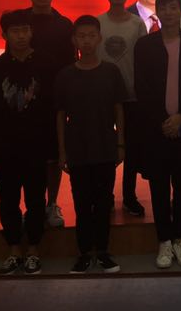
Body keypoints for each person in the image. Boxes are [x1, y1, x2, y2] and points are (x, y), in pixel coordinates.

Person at [134, 0, 181, 269]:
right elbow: (142, 87)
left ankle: (180, 238)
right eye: (163, 8)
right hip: (156, 129)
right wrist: (164, 121)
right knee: (159, 186)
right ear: (158, 12)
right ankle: (164, 239)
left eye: (173, 8)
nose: (168, 12)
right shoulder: (145, 45)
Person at [0, 10, 55, 275]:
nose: (21, 36)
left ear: (32, 32)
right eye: (15, 31)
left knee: (36, 200)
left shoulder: (46, 64)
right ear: (4, 35)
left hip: (37, 145)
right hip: (4, 147)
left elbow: (53, 109)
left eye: (25, 30)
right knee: (8, 200)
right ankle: (14, 249)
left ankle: (33, 249)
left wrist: (53, 147)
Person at [56, 15, 125, 274]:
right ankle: (84, 252)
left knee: (104, 201)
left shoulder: (111, 71)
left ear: (99, 39)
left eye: (91, 35)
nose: (86, 40)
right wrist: (62, 151)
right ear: (74, 40)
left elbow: (119, 109)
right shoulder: (65, 75)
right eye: (81, 36)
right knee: (82, 202)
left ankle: (103, 251)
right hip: (77, 148)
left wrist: (121, 144)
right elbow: (60, 115)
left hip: (105, 145)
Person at [22, 0, 75, 229]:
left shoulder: (65, 25)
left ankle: (52, 203)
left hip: (54, 100)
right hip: (24, 101)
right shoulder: (20, 22)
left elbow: (70, 64)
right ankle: (32, 205)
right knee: (30, 155)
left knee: (54, 155)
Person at [96, 0, 147, 217]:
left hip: (132, 95)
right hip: (102, 96)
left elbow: (144, 59)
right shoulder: (97, 23)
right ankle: (105, 195)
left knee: (132, 148)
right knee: (105, 147)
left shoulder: (137, 24)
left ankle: (129, 195)